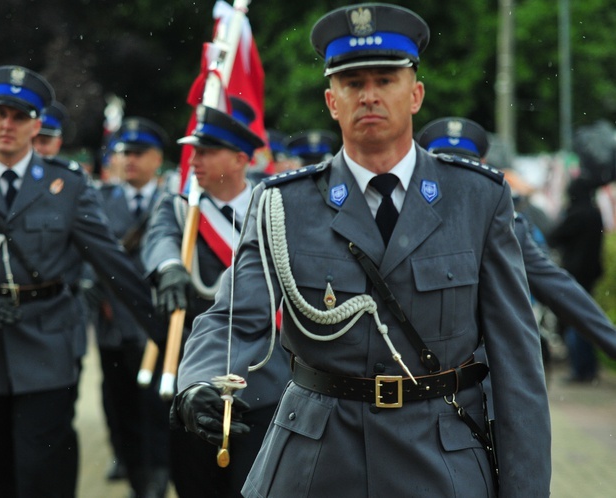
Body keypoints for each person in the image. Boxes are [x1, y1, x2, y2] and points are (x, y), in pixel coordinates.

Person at [171, 4, 551, 497]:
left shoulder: (477, 199)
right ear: (332, 101)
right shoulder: (283, 205)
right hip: (318, 458)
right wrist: (198, 379)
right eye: (352, 83)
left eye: (385, 79)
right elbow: (234, 317)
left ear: (415, 94)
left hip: (440, 457)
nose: (369, 95)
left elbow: (517, 363)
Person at [0, 65, 164, 498]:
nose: (8, 124)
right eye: (0, 113)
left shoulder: (69, 186)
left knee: (47, 474)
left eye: (20, 116)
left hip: (46, 350)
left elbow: (113, 266)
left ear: (36, 125)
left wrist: (176, 334)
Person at [142, 98, 290, 498]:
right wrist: (170, 266)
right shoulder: (180, 210)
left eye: (207, 152)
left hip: (266, 375)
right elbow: (159, 241)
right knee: (196, 484)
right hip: (197, 373)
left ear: (241, 158)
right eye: (194, 151)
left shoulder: (277, 210)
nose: (195, 160)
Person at [416, 116, 616, 364]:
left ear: (481, 167)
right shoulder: (406, 220)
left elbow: (559, 289)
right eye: (445, 165)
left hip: (476, 381)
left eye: (465, 166)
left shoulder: (500, 224)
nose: (455, 177)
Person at [90, 116, 171, 497]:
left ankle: (159, 474)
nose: (130, 161)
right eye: (124, 153)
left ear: (158, 159)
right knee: (122, 406)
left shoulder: (175, 203)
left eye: (139, 153)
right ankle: (138, 475)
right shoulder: (98, 200)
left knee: (159, 409)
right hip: (114, 324)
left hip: (161, 327)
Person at [547, 177, 605, 383]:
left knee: (574, 320)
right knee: (587, 318)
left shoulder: (576, 214)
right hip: (591, 273)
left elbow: (554, 235)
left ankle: (580, 370)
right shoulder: (595, 212)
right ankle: (589, 368)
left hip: (573, 273)